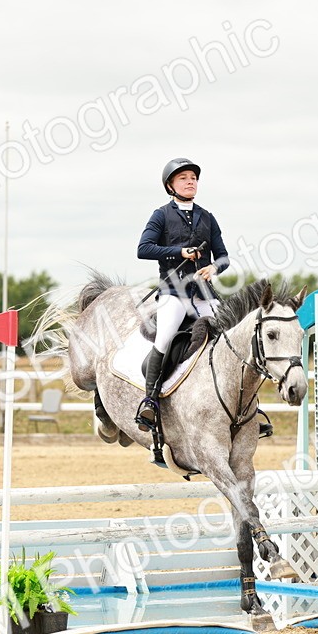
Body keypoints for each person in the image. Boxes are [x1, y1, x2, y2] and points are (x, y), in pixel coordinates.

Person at [134, 158, 229, 461]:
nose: (190, 182)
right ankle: (150, 401)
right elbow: (143, 249)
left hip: (202, 294)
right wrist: (179, 252)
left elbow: (224, 257)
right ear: (170, 186)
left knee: (229, 337)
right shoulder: (160, 215)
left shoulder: (208, 217)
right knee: (164, 337)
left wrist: (213, 268)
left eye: (193, 178)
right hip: (174, 292)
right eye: (184, 178)